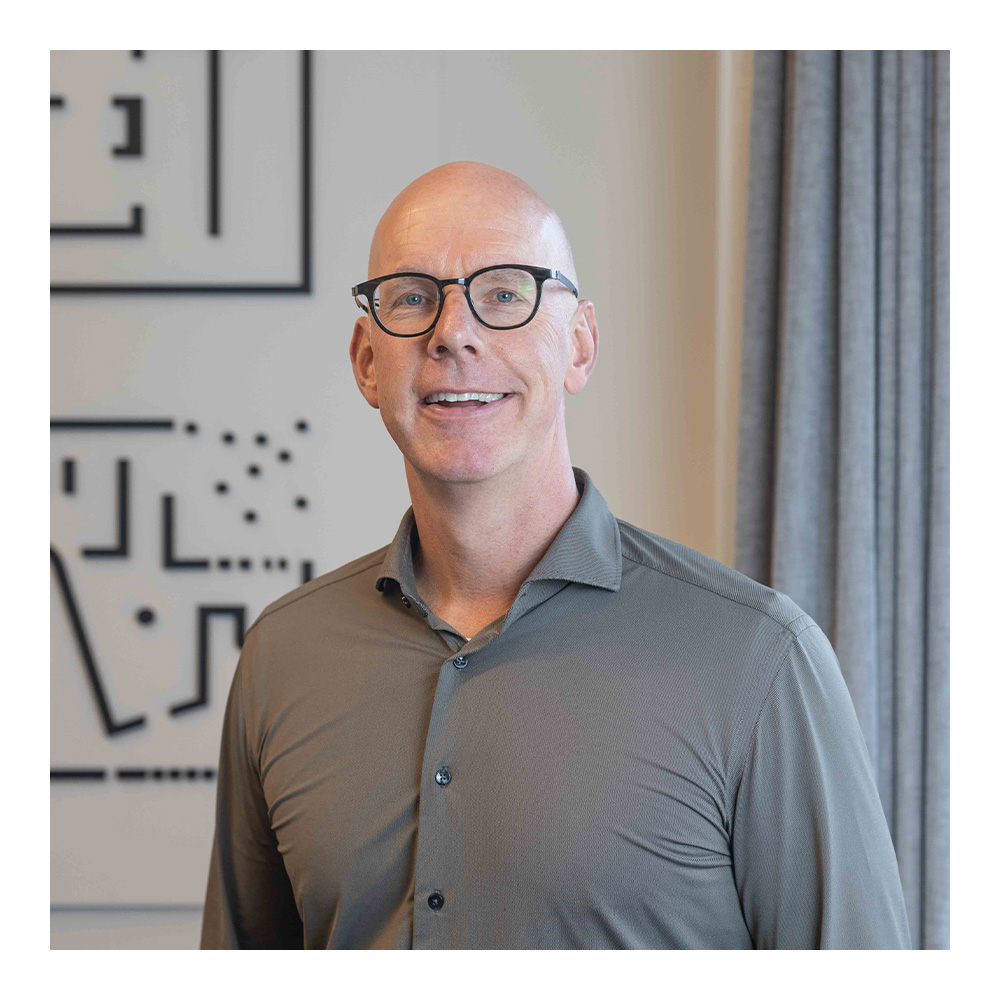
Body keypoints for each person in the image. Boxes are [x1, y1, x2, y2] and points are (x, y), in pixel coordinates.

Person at [200, 161, 911, 949]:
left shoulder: (759, 660)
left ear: (579, 345)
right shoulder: (282, 657)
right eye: (412, 298)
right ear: (368, 362)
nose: (453, 333)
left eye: (505, 294)